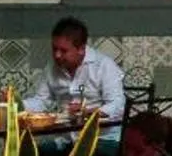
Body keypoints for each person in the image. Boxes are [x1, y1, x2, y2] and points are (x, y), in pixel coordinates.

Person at [22, 17, 127, 146]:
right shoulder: (51, 68)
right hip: (66, 139)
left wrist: (89, 112)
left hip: (101, 139)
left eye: (63, 51)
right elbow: (41, 101)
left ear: (81, 49)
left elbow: (118, 105)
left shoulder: (104, 66)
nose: (57, 55)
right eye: (54, 49)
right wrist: (14, 103)